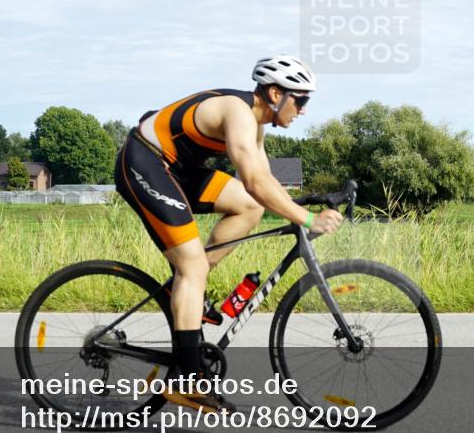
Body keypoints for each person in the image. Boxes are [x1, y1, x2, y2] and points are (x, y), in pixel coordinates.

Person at [114, 55, 344, 413]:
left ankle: (186, 290)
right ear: (274, 93)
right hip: (144, 162)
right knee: (193, 267)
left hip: (177, 169)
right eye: (301, 100)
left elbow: (262, 184)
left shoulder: (257, 125)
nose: (303, 110)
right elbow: (251, 180)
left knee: (249, 207)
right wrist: (307, 218)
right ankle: (186, 380)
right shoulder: (238, 112)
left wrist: (307, 201)